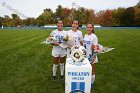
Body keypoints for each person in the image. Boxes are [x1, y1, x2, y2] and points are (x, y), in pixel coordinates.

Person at [83, 22, 98, 88]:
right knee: (86, 70)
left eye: (90, 27)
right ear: (86, 28)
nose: (89, 28)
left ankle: (91, 83)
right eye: (88, 27)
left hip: (91, 56)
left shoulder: (94, 37)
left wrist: (93, 57)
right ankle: (86, 81)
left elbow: (96, 48)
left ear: (92, 28)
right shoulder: (85, 35)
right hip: (85, 56)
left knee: (92, 71)